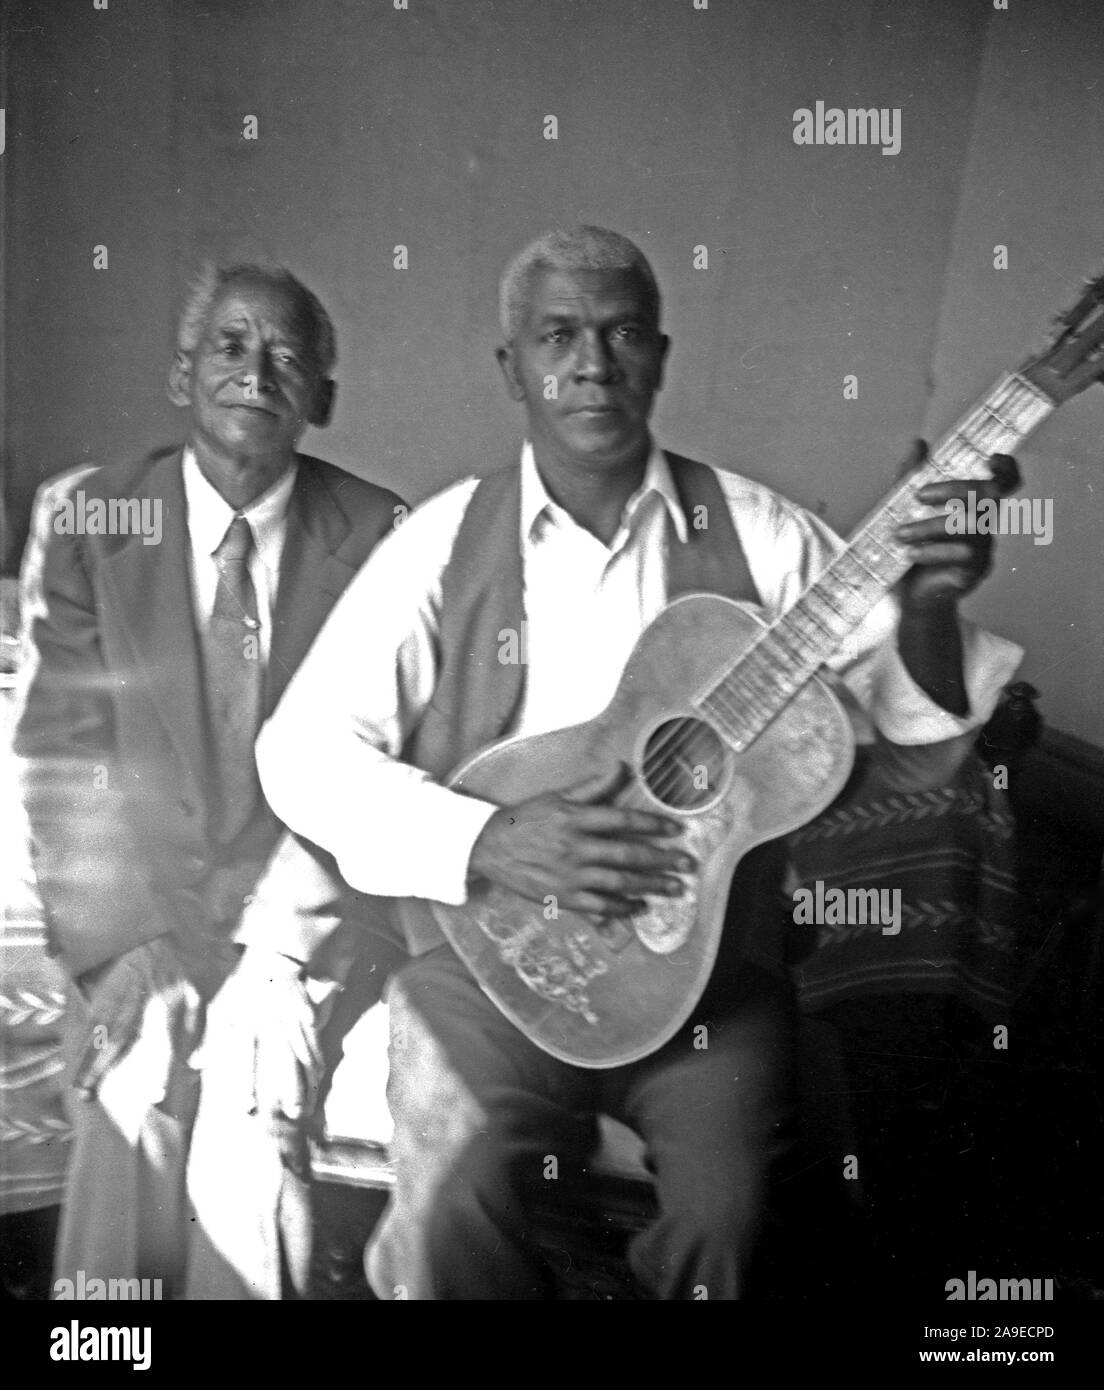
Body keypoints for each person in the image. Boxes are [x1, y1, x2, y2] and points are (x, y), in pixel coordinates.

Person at [255, 225, 1024, 1299]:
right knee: (448, 1198)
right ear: (512, 367)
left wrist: (932, 605)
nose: (592, 363)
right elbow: (298, 752)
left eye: (621, 334)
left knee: (734, 1222)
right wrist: (491, 837)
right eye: (557, 335)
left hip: (708, 984)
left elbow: (920, 751)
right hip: (490, 968)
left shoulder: (763, 537)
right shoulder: (437, 544)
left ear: (659, 356)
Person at [13, 263, 404, 1298]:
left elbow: (381, 771)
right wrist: (130, 946)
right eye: (231, 346)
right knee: (128, 1084)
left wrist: (283, 949)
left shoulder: (379, 534)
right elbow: (63, 752)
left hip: (296, 916)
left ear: (322, 395)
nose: (256, 371)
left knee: (251, 1108)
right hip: (141, 911)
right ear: (181, 374)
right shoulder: (101, 517)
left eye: (287, 355)